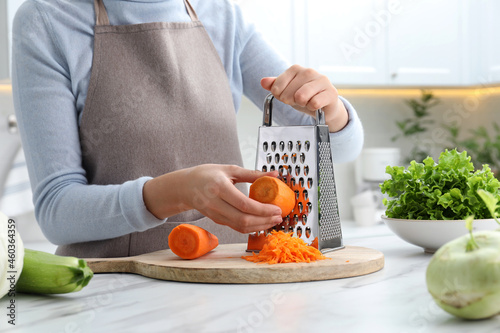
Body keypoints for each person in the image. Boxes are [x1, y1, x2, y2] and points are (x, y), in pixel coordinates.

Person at [11, 0, 363, 257]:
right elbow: (56, 211)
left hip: (231, 276)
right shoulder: (46, 20)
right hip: (115, 291)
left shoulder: (222, 15)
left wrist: (330, 109)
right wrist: (175, 193)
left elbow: (341, 150)